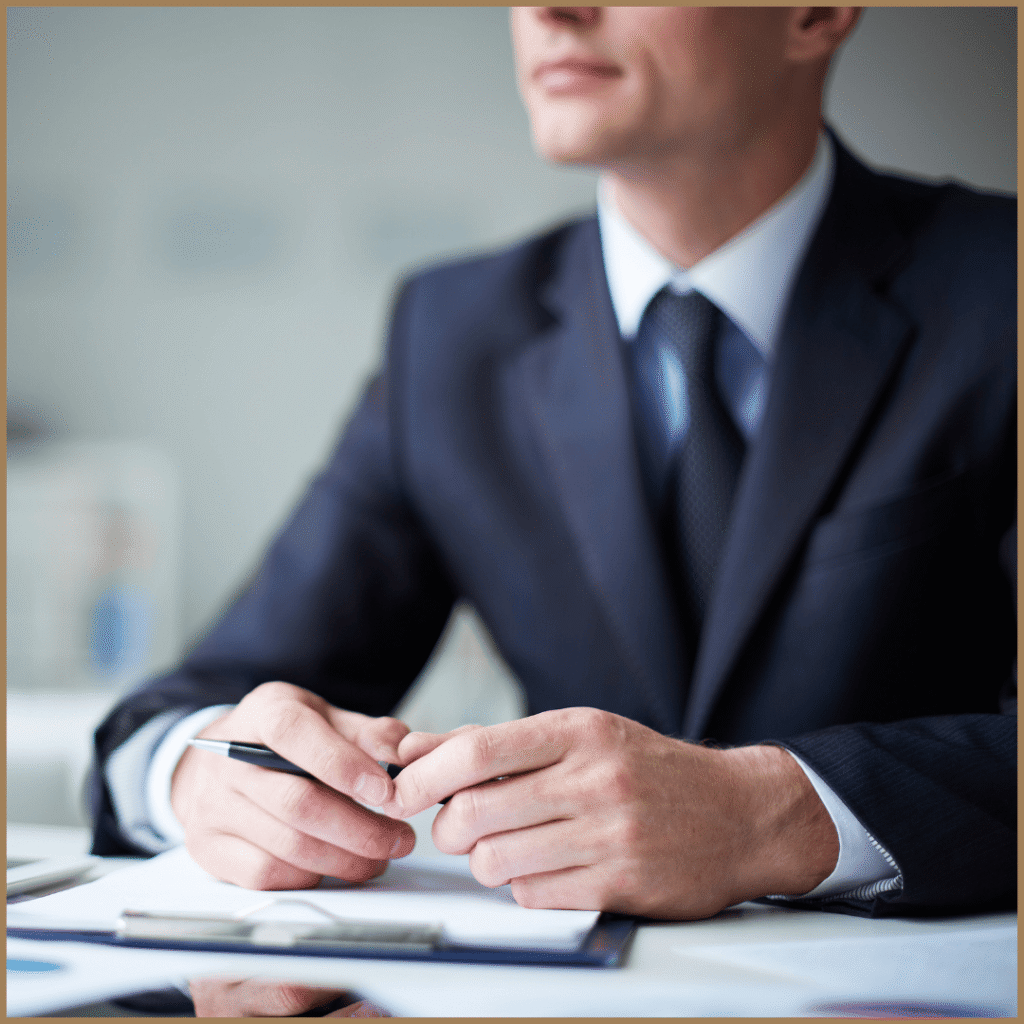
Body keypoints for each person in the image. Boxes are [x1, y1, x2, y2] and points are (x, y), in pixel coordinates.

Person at [91, 7, 1016, 920]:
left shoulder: (997, 289)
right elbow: (199, 700)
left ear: (814, 15)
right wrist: (201, 772)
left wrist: (764, 816)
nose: (550, 10)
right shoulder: (451, 334)